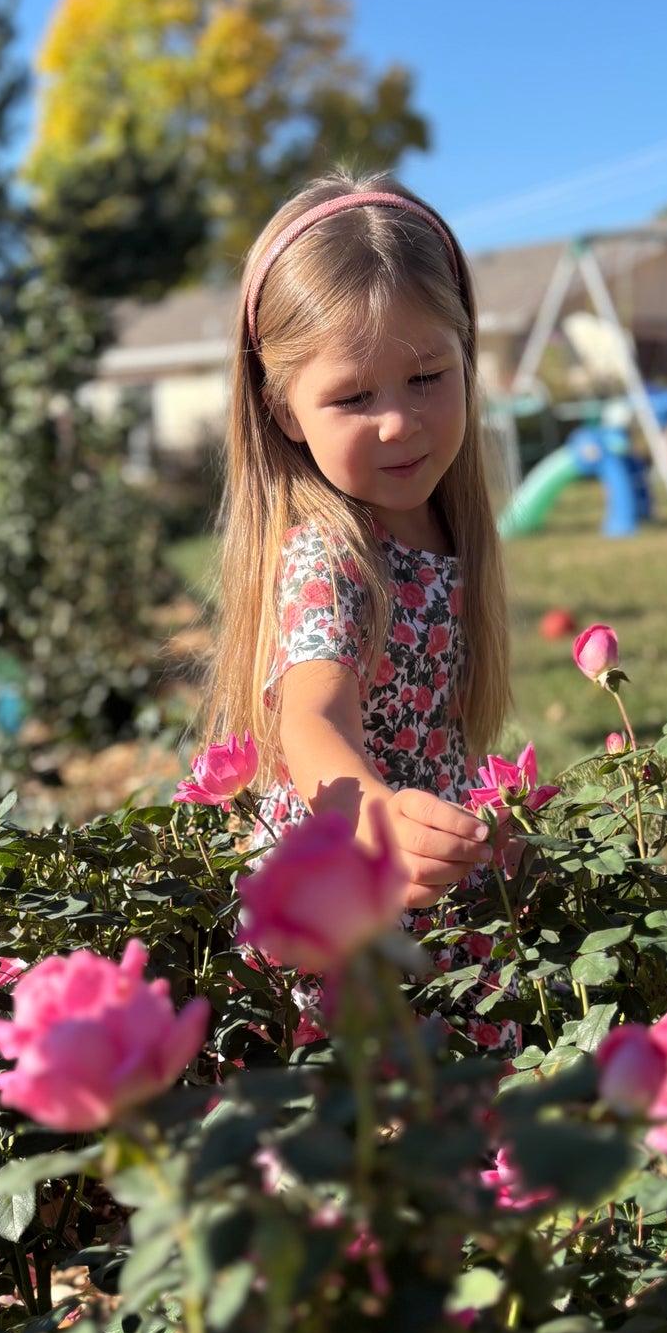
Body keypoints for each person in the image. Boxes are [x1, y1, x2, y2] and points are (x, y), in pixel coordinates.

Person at [205, 169, 510, 915]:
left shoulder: (445, 525)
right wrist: (374, 816)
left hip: (416, 877)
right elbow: (310, 716)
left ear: (464, 356)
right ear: (283, 411)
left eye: (426, 376)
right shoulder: (331, 554)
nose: (398, 421)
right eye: (353, 396)